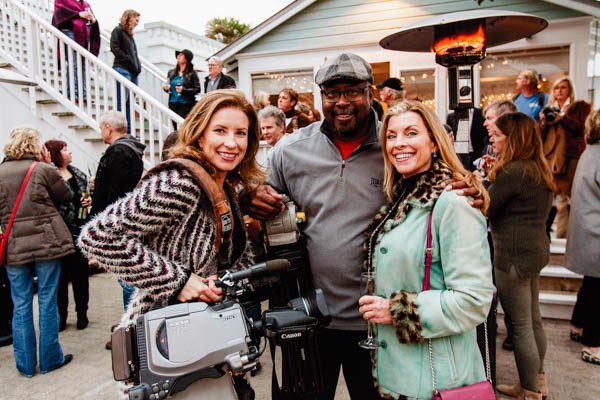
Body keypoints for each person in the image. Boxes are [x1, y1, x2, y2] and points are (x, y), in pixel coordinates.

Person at [248, 52, 484, 399]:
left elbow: (437, 183)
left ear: (370, 93)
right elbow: (257, 195)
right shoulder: (291, 150)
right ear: (321, 96)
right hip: (312, 317)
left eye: (353, 91)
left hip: (379, 324)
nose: (342, 101)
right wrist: (250, 197)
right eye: (332, 93)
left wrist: (470, 189)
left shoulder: (393, 146)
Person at [78, 89, 262, 395]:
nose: (232, 143)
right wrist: (178, 281)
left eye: (240, 133)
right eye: (220, 130)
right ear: (199, 135)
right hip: (165, 342)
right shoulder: (179, 183)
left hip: (206, 337)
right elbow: (97, 237)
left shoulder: (225, 184)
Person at [358, 100, 493, 399]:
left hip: (439, 378)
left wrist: (397, 310)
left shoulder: (454, 201)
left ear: (433, 142)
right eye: (391, 136)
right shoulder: (400, 197)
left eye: (411, 133)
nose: (398, 143)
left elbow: (474, 300)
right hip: (400, 373)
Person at [487, 112, 555, 400]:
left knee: (521, 326)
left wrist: (481, 182)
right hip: (534, 252)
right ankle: (538, 381)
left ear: (512, 138)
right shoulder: (538, 168)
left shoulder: (512, 172)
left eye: (497, 135)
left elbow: (487, 207)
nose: (493, 139)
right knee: (533, 320)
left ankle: (529, 390)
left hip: (512, 258)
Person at [0, 127, 75, 378]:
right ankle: (50, 359)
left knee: (20, 303)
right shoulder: (42, 169)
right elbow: (66, 195)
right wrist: (49, 165)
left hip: (14, 247)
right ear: (35, 146)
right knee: (47, 299)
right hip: (46, 243)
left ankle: (25, 364)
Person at [90, 112, 145, 341]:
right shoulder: (130, 149)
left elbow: (116, 193)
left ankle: (131, 329)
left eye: (101, 127)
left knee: (127, 279)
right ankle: (131, 323)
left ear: (108, 128)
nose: (100, 131)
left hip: (118, 226)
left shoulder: (118, 152)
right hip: (125, 222)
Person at [564, 109, 600, 366]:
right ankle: (593, 344)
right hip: (596, 229)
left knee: (592, 284)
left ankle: (578, 325)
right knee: (598, 290)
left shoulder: (589, 152)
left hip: (588, 227)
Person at [44, 140, 92, 331]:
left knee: (81, 277)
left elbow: (87, 194)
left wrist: (89, 200)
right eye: (64, 150)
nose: (69, 152)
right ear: (55, 153)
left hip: (78, 232)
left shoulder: (77, 173)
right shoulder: (49, 176)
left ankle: (82, 313)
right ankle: (61, 316)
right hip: (58, 234)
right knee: (60, 279)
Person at [540, 77, 591, 238]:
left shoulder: (579, 107)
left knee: (570, 195)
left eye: (563, 87)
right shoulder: (548, 109)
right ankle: (546, 233)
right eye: (556, 88)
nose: (559, 91)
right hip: (551, 157)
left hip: (571, 157)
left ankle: (568, 233)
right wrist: (543, 123)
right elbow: (540, 136)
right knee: (550, 194)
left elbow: (582, 128)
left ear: (570, 90)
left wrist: (563, 119)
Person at [52, 0, 100, 101]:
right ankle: (73, 94)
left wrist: (93, 19)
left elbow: (92, 22)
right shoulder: (63, 1)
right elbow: (60, 15)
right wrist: (79, 14)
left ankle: (83, 94)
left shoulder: (85, 4)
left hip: (83, 35)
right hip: (69, 32)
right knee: (74, 64)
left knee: (82, 65)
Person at [110, 9, 141, 133]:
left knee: (129, 103)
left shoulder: (130, 35)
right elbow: (114, 47)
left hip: (132, 71)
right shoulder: (118, 30)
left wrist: (137, 66)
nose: (137, 22)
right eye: (136, 20)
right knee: (121, 102)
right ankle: (120, 130)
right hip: (122, 69)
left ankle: (128, 131)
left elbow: (134, 53)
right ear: (129, 18)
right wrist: (127, 59)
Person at [163, 49, 201, 129]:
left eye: (181, 55)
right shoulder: (171, 72)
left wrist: (183, 90)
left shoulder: (192, 73)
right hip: (173, 103)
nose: (178, 56)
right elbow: (168, 84)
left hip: (186, 104)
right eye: (178, 55)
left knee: (183, 126)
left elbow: (197, 89)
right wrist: (166, 88)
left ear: (187, 58)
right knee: (175, 127)